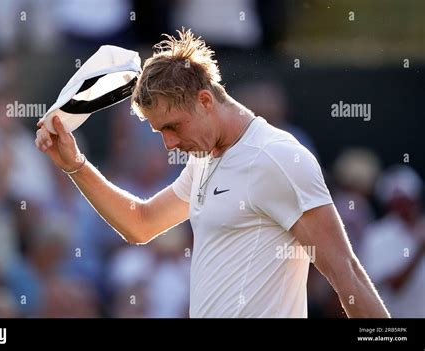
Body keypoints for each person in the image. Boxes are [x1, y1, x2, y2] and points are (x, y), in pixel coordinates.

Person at [35, 29, 390, 318]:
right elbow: (140, 224)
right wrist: (75, 165)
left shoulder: (277, 158)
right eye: (161, 132)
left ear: (205, 101)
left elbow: (349, 278)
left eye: (173, 127)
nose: (170, 145)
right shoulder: (203, 159)